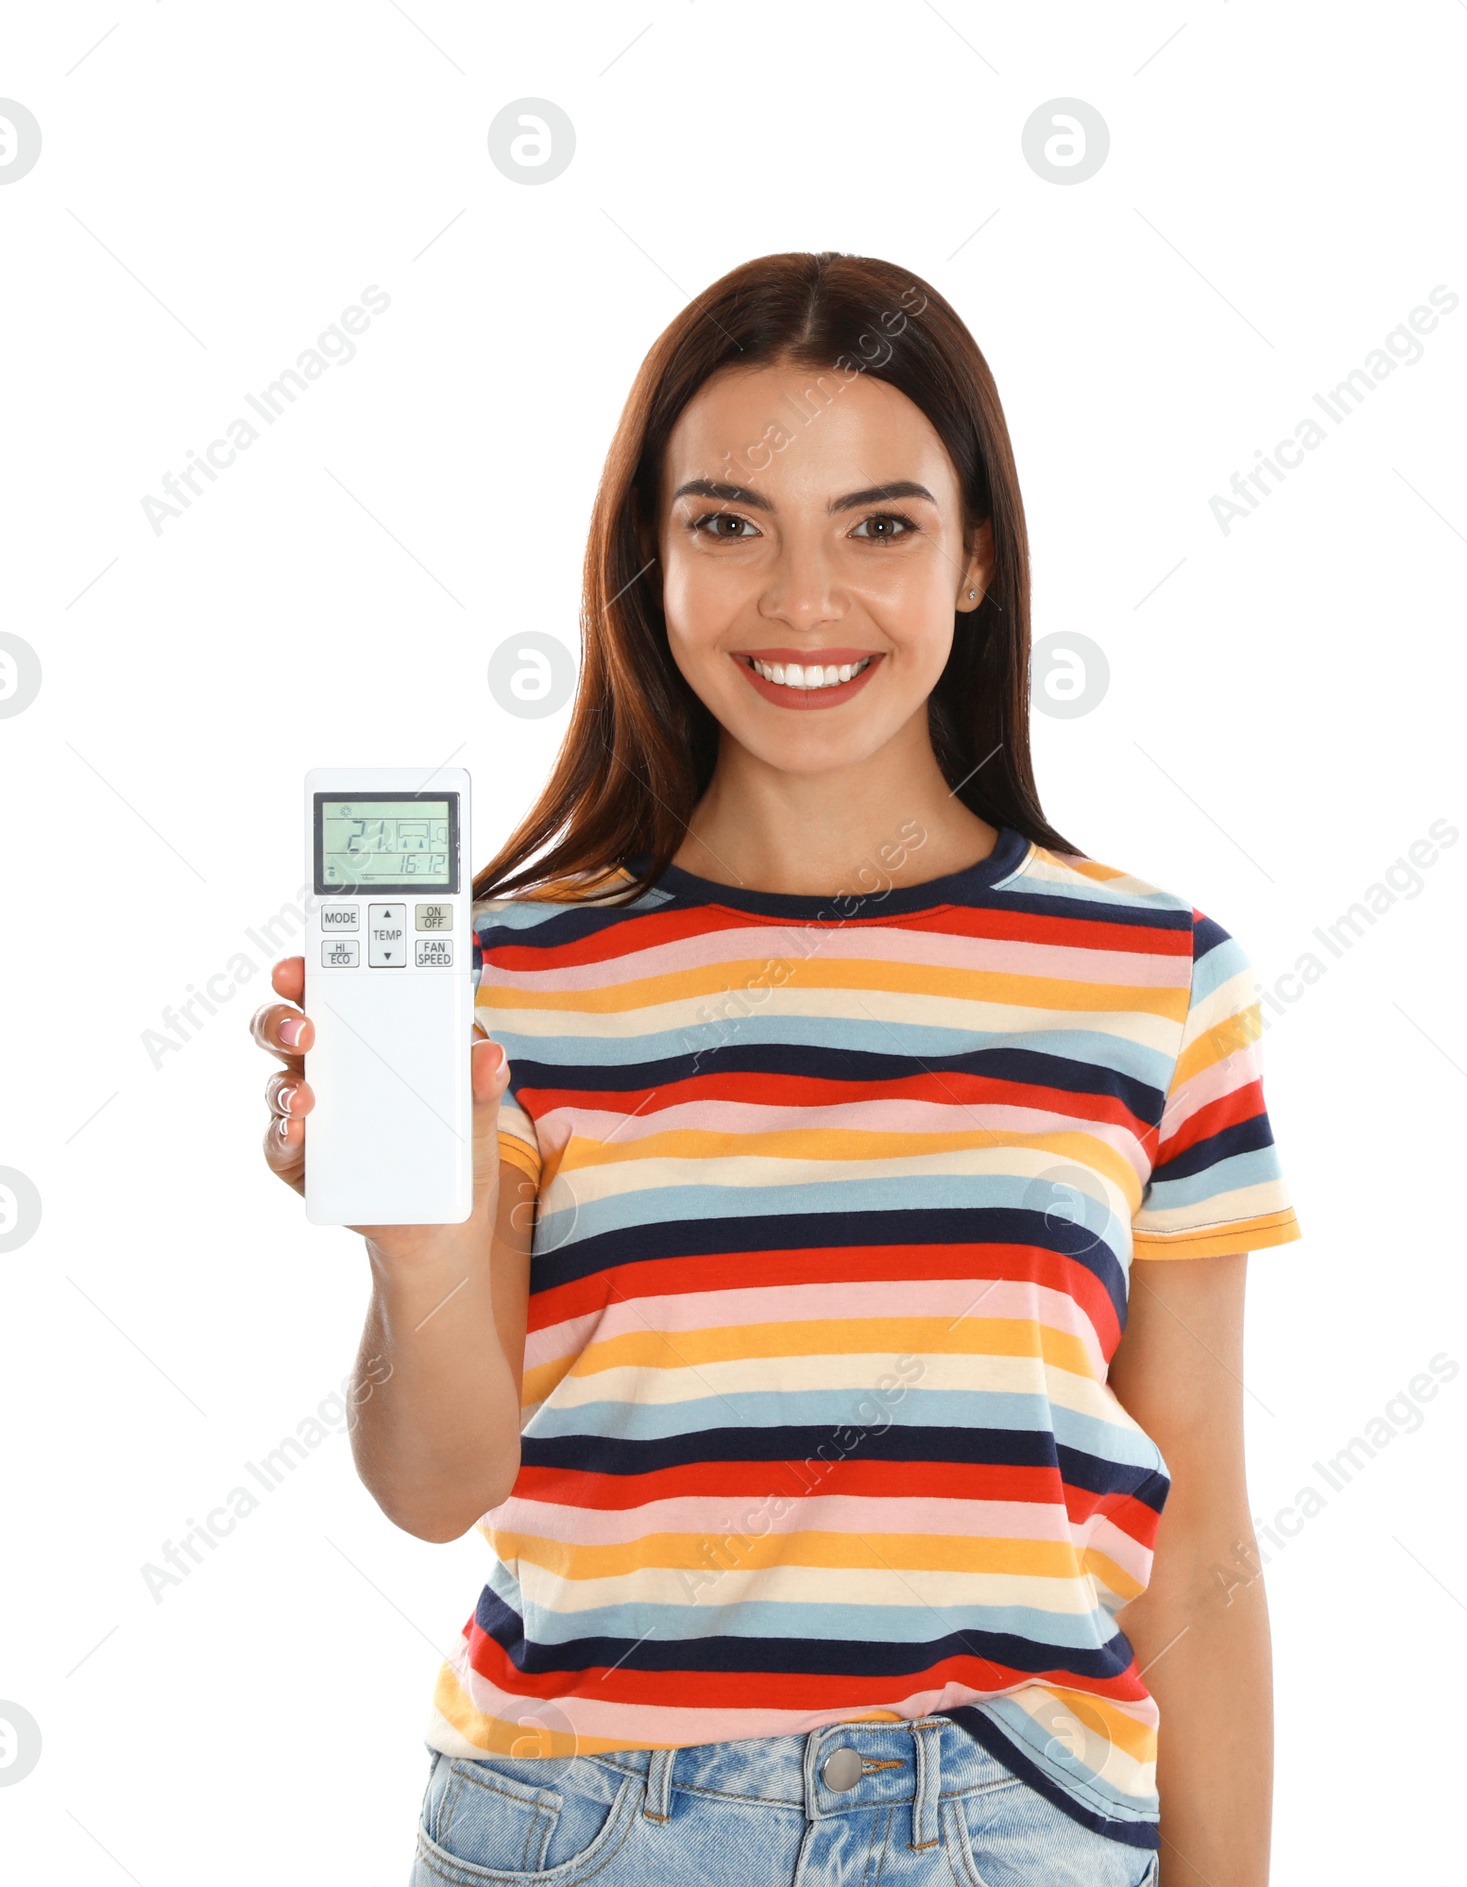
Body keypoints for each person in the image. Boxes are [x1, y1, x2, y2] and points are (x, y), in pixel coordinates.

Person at [253, 251, 1301, 1887]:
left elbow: (1203, 1545)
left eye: (878, 525)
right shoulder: (513, 974)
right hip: (587, 1830)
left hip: (1017, 1828)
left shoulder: (1157, 978)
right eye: (729, 525)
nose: (804, 601)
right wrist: (412, 1244)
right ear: (647, 563)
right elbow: (435, 1482)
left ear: (974, 563)